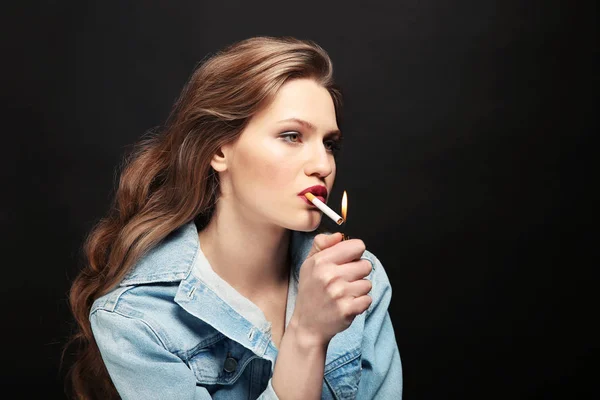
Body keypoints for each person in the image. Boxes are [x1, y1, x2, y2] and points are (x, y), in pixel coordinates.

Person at [64, 36, 402, 399]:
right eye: (291, 136)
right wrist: (306, 335)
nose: (322, 165)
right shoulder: (135, 316)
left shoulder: (357, 279)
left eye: (329, 144)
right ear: (219, 150)